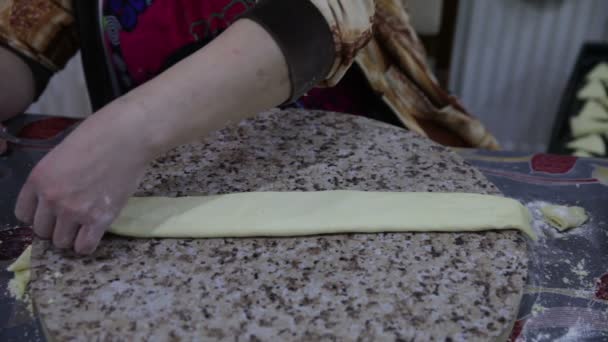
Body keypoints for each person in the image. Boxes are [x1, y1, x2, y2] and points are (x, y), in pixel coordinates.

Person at [0, 0, 498, 255]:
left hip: (360, 168)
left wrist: (126, 131)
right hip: (167, 192)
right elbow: (21, 33)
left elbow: (325, 15)